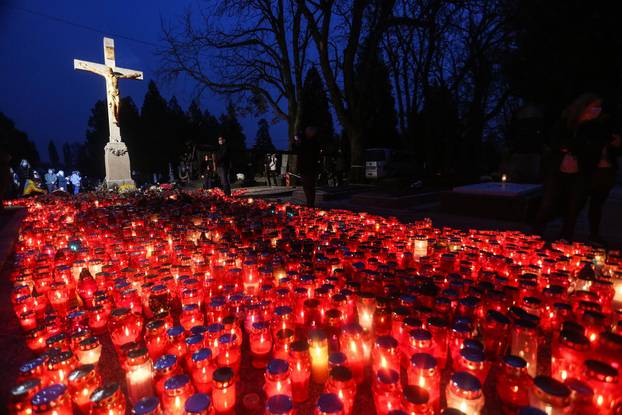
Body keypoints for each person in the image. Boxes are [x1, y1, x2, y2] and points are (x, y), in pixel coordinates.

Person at [534, 93, 607, 241]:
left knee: (573, 208)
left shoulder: (595, 128)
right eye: (595, 106)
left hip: (581, 173)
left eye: (599, 107)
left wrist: (576, 148)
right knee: (547, 204)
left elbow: (594, 149)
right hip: (557, 171)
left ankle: (565, 240)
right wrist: (570, 147)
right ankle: (535, 236)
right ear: (585, 106)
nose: (597, 110)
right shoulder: (565, 122)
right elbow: (555, 142)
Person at [585, 126, 621, 244]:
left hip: (606, 172)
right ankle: (566, 232)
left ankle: (593, 234)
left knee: (597, 204)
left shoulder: (613, 138)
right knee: (579, 203)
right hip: (591, 171)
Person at [294, 126, 321, 207]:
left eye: (308, 131)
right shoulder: (306, 141)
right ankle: (309, 202)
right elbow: (298, 149)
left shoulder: (313, 142)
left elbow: (311, 154)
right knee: (306, 186)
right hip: (305, 166)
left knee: (309, 186)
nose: (306, 132)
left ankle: (310, 203)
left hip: (310, 167)